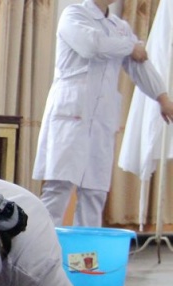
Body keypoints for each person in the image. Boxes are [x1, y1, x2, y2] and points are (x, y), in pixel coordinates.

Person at [32, 0, 173, 227]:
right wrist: (130, 46)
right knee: (59, 188)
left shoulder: (119, 27)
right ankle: (43, 246)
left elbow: (140, 64)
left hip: (101, 119)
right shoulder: (73, 15)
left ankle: (86, 249)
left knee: (95, 193)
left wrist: (163, 98)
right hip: (71, 114)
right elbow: (91, 45)